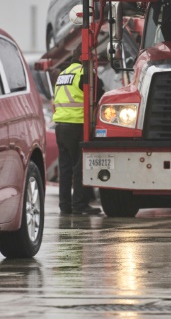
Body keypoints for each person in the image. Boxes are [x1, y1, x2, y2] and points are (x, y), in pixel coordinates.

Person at [53, 45, 103, 215]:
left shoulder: (63, 74)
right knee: (79, 167)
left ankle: (64, 205)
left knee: (65, 168)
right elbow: (99, 91)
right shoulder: (83, 73)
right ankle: (79, 204)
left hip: (60, 125)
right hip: (77, 124)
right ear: (84, 58)